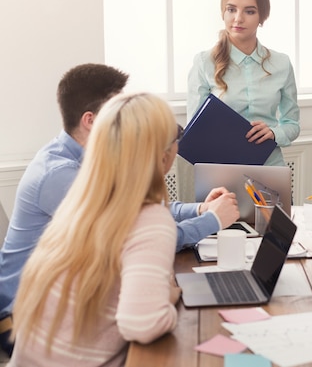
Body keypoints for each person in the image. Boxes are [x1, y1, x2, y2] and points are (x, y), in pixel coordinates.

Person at [0, 64, 239, 356]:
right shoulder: (60, 174)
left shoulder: (92, 165)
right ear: (92, 120)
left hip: (55, 322)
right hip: (23, 320)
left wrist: (200, 208)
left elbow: (138, 211)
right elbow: (141, 231)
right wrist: (211, 220)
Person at [8, 93, 183, 366]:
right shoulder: (149, 219)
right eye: (176, 139)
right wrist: (170, 298)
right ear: (162, 157)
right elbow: (142, 323)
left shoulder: (81, 197)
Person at [187, 0, 300, 167]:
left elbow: (292, 124)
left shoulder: (282, 63)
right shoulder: (204, 62)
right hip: (220, 168)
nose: (238, 18)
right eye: (231, 9)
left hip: (270, 165)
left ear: (262, 17)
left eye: (249, 11)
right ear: (223, 12)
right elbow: (195, 130)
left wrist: (274, 133)